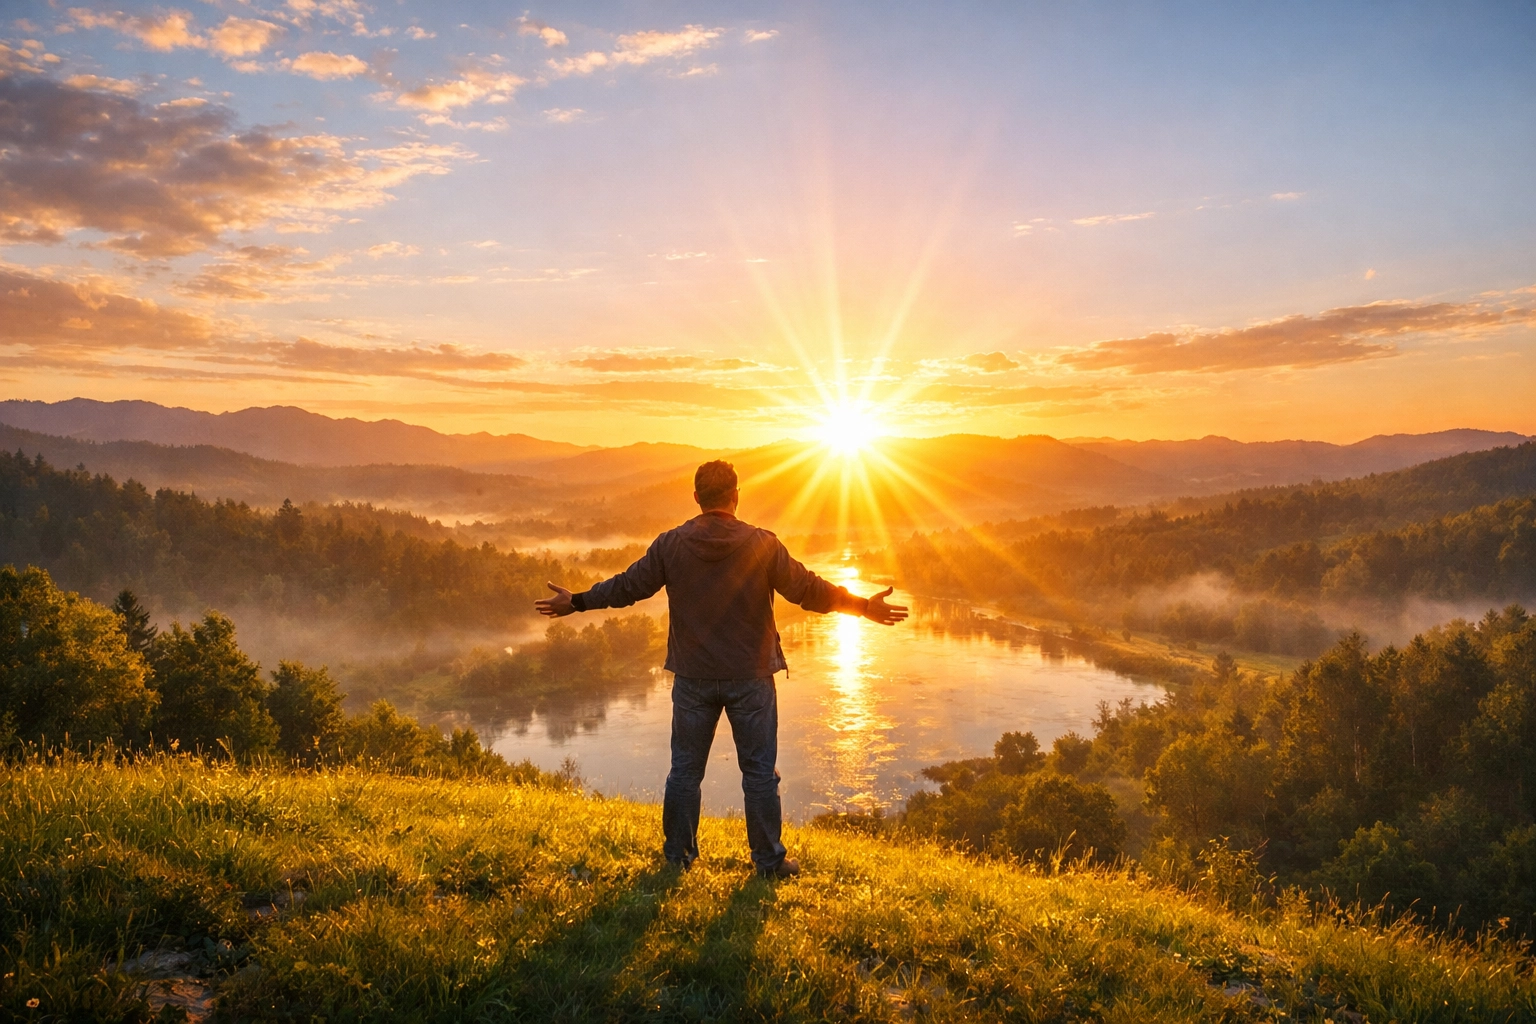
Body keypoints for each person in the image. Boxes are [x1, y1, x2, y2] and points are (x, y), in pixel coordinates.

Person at [536, 459, 908, 878]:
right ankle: (769, 862)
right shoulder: (762, 544)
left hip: (693, 677)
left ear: (696, 498)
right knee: (760, 774)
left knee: (685, 773)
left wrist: (579, 601)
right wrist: (862, 607)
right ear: (735, 496)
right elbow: (809, 591)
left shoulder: (671, 544)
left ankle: (678, 859)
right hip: (751, 678)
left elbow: (628, 587)